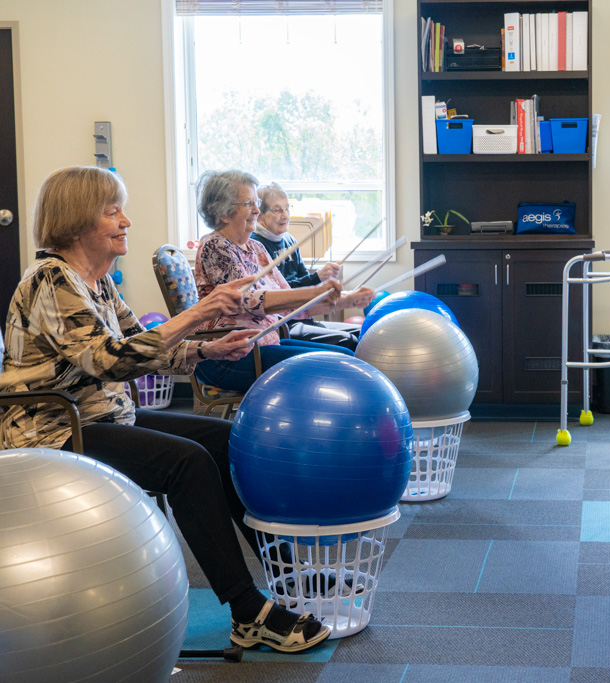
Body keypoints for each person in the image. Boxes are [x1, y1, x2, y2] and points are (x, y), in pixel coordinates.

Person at [0, 165, 330, 653]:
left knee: (224, 440)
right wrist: (199, 314)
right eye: (113, 212)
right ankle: (248, 612)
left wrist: (207, 350)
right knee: (187, 463)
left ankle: (286, 574)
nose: (126, 221)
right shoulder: (51, 280)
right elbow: (110, 360)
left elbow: (142, 346)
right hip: (52, 429)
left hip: (100, 415)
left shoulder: (96, 281)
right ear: (77, 221)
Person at [193, 170, 374, 392]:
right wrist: (318, 292)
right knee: (340, 364)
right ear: (223, 213)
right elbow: (248, 301)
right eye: (249, 203)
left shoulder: (256, 248)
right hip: (229, 356)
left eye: (257, 203)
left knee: (345, 355)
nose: (257, 210)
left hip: (262, 346)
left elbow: (291, 307)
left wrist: (347, 299)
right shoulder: (215, 246)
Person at [250, 182, 359, 349]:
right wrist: (316, 277)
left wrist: (324, 282)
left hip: (304, 316)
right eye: (277, 210)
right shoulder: (256, 246)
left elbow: (304, 282)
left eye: (287, 208)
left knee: (360, 332)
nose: (285, 215)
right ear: (260, 215)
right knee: (348, 341)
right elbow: (275, 294)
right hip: (284, 323)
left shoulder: (289, 240)